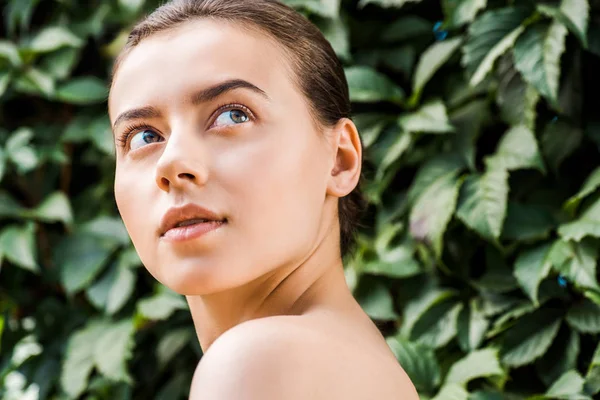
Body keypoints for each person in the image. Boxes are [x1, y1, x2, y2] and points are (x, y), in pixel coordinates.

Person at [108, 0, 419, 398]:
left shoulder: (262, 362)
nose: (172, 164)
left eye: (232, 115)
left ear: (340, 159)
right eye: (143, 137)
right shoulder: (354, 363)